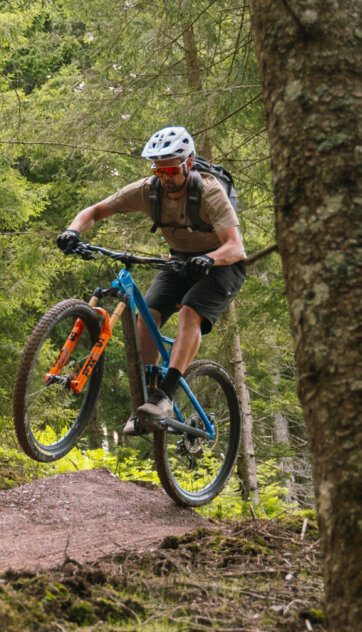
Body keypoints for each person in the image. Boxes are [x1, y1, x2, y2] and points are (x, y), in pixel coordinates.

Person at [54, 125, 246, 434]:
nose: (165, 177)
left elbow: (235, 246)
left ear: (189, 163)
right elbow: (96, 210)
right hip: (180, 262)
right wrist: (72, 231)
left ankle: (165, 394)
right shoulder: (149, 190)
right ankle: (146, 399)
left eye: (171, 169)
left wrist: (209, 259)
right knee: (148, 315)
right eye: (159, 170)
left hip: (223, 265)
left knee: (189, 313)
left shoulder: (209, 192)